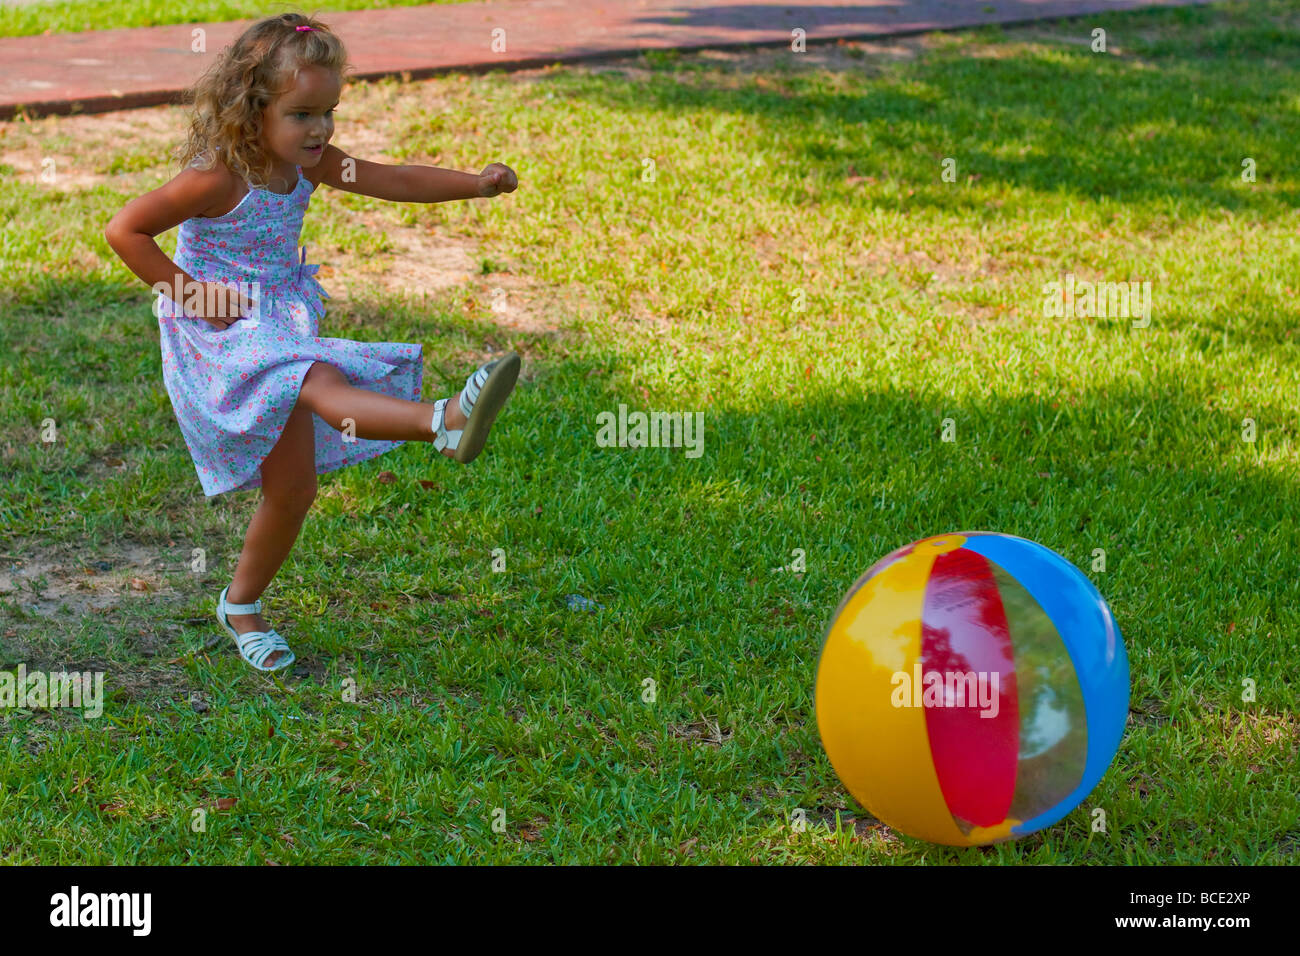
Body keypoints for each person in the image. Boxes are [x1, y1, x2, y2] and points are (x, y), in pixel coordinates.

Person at [105, 11, 521, 672]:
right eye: (302, 114)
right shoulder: (219, 177)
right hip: (221, 328)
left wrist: (473, 184)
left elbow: (392, 179)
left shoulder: (315, 164)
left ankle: (240, 606)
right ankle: (444, 421)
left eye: (328, 112)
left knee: (293, 489)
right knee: (321, 382)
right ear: (253, 109)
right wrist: (190, 294)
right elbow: (125, 229)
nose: (320, 129)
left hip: (280, 318)